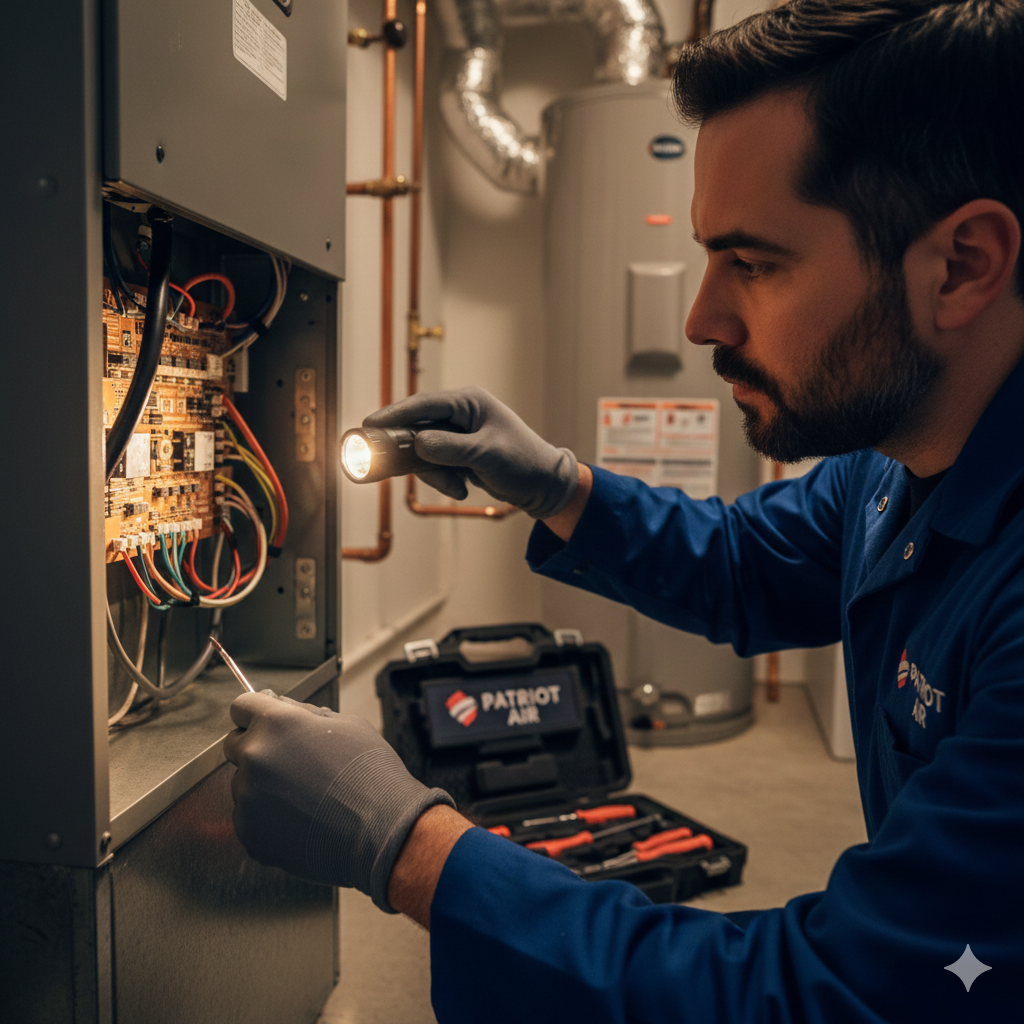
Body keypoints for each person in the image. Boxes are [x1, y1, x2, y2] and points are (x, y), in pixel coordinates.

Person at [224, 0, 1024, 1018]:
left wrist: (411, 846)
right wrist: (560, 486)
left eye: (753, 264)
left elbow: (827, 994)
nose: (699, 319)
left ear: (960, 265)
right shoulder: (898, 465)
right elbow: (746, 561)